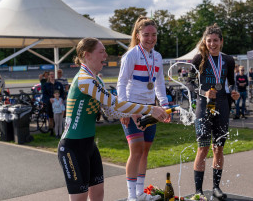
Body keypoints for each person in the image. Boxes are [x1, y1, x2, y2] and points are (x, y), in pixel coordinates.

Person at [57, 37, 168, 201]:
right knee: (80, 198)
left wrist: (133, 114)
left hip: (89, 145)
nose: (106, 55)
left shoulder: (96, 79)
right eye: (101, 52)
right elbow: (116, 104)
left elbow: (110, 111)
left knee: (98, 194)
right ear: (87, 55)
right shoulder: (85, 80)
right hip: (72, 147)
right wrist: (151, 109)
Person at [117, 16, 170, 201]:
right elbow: (121, 83)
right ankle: (132, 196)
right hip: (132, 108)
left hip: (150, 109)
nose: (150, 38)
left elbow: (159, 83)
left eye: (154, 34)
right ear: (138, 35)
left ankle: (140, 193)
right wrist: (124, 110)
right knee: (136, 150)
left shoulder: (157, 56)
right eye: (146, 34)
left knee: (145, 150)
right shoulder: (131, 55)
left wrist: (164, 105)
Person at [191, 24, 239, 200]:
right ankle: (198, 191)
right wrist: (203, 92)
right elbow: (189, 83)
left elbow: (232, 82)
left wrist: (234, 92)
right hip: (204, 107)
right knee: (203, 148)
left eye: (215, 41)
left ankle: (216, 187)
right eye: (209, 41)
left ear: (221, 41)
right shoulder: (199, 59)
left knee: (218, 148)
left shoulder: (228, 60)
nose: (212, 44)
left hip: (222, 105)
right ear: (205, 41)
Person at [42, 71, 64, 135]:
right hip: (50, 103)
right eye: (50, 74)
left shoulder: (59, 84)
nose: (52, 75)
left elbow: (62, 93)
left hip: (58, 104)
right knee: (51, 118)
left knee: (58, 118)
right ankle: (51, 131)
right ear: (48, 76)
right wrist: (49, 99)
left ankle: (58, 132)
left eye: (53, 74)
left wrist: (61, 98)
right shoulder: (46, 85)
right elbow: (44, 94)